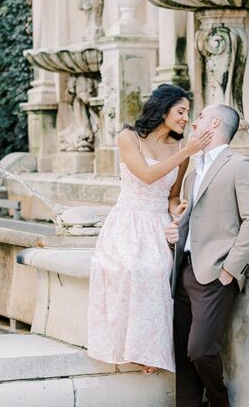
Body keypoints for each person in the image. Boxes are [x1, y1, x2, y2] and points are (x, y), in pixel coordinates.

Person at [151, 103, 249, 407]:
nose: (193, 121)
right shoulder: (193, 170)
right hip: (184, 270)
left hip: (215, 274)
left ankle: (219, 405)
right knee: (183, 355)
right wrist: (175, 233)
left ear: (215, 123)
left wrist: (230, 270)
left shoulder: (242, 166)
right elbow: (192, 219)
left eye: (200, 116)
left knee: (200, 350)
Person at [87, 84, 213, 373]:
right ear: (164, 109)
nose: (186, 118)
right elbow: (145, 175)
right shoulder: (129, 137)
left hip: (158, 223)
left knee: (158, 272)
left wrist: (177, 209)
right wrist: (187, 151)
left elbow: (171, 196)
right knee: (130, 269)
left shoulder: (181, 150)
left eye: (188, 112)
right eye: (181, 111)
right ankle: (126, 347)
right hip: (127, 221)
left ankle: (150, 352)